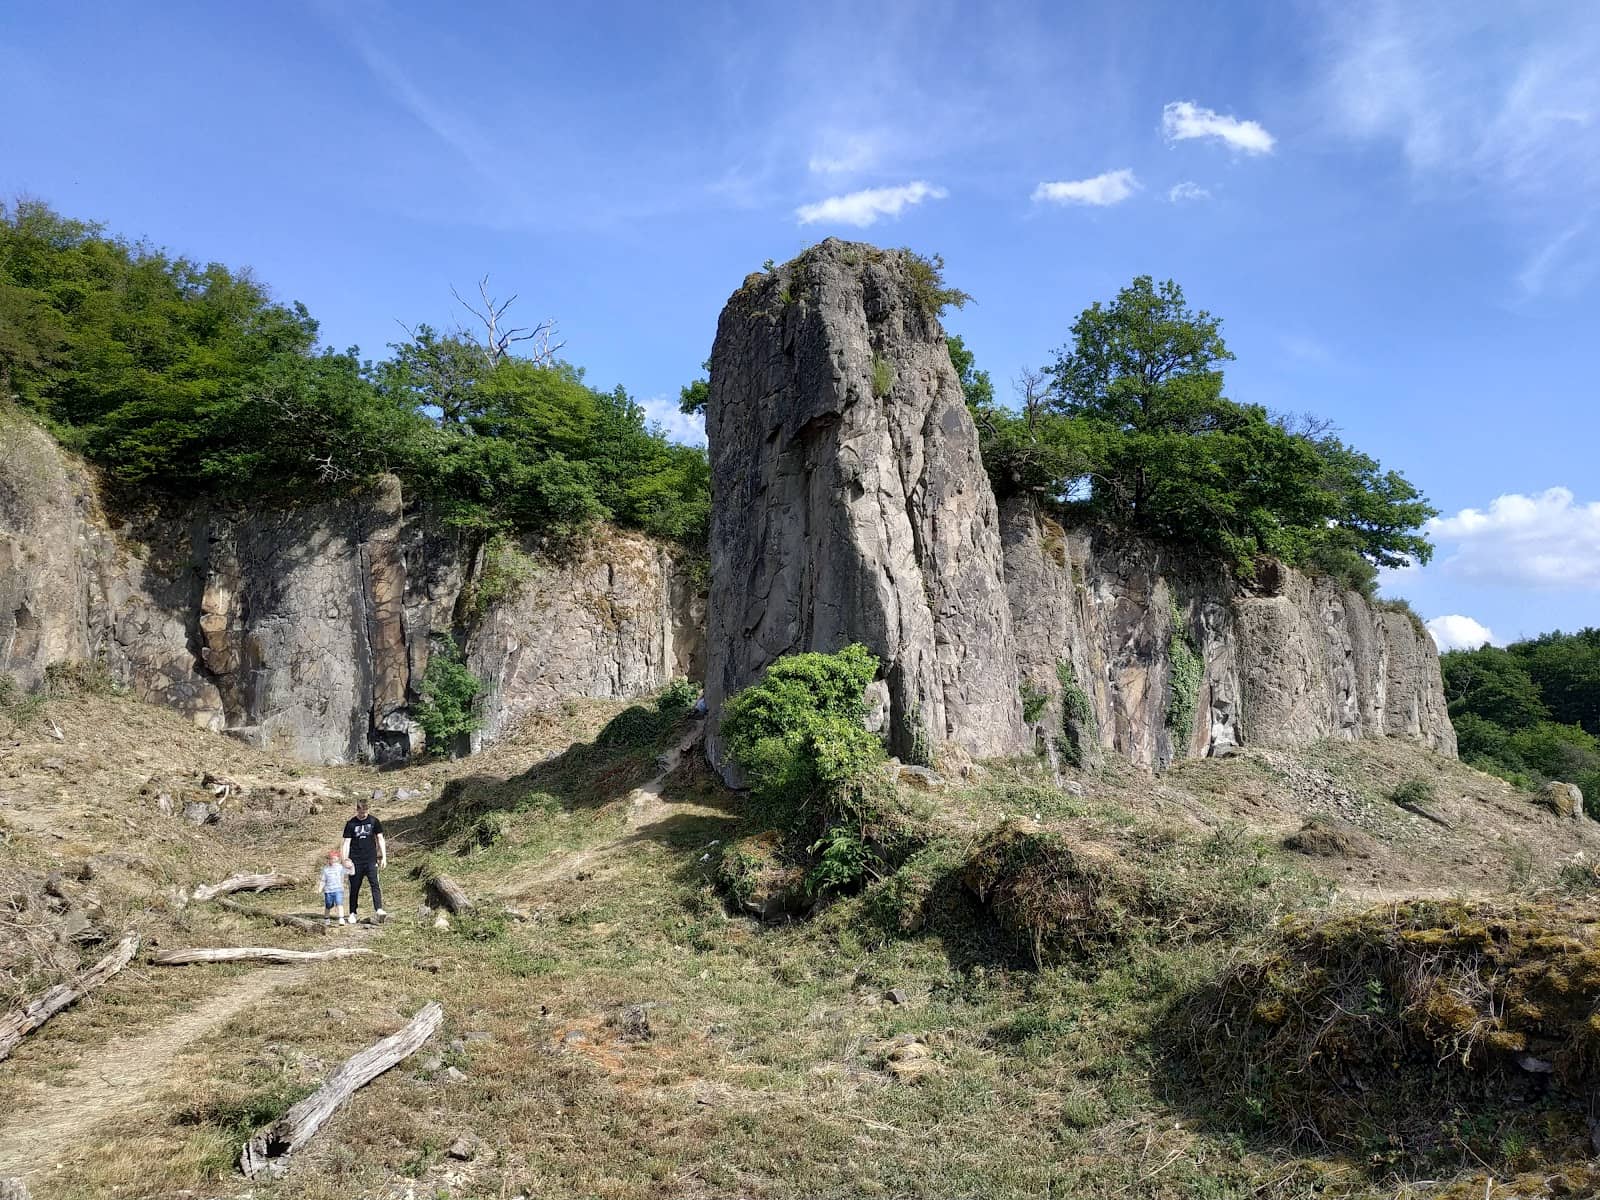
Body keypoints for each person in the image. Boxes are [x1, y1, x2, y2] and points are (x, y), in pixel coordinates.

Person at [340, 798, 387, 923]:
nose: (363, 815)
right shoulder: (351, 824)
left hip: (370, 859)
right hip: (355, 860)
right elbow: (346, 843)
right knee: (354, 887)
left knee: (375, 884)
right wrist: (344, 859)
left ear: (368, 810)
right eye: (361, 813)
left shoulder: (374, 821)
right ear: (357, 810)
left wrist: (383, 856)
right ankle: (352, 913)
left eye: (365, 812)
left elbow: (380, 838)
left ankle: (379, 909)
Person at [317, 850, 346, 926]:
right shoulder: (325, 869)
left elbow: (344, 875)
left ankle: (341, 918)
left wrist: (343, 885)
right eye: (331, 858)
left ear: (338, 859)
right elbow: (323, 880)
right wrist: (320, 888)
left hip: (338, 889)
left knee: (339, 903)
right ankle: (327, 918)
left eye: (334, 859)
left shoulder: (340, 867)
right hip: (328, 891)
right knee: (328, 905)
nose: (332, 860)